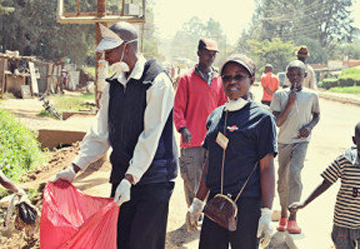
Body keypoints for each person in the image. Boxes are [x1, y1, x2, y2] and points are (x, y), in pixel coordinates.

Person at [53, 22, 178, 249]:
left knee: (143, 243)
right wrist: (74, 168)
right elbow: (101, 131)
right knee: (119, 242)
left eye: (110, 51)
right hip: (122, 177)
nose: (106, 57)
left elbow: (150, 136)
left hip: (153, 181)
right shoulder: (114, 83)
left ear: (126, 48)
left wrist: (131, 178)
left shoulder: (157, 81)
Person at [186, 54, 277, 249]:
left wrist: (267, 212)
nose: (232, 81)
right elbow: (210, 162)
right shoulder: (216, 116)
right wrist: (198, 201)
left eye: (239, 76)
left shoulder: (262, 118)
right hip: (215, 205)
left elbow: (267, 168)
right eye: (226, 77)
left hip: (246, 206)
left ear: (251, 80)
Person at [174, 38, 227, 209]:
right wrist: (182, 128)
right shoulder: (186, 79)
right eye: (207, 53)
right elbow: (178, 108)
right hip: (192, 140)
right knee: (192, 180)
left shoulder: (219, 80)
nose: (210, 57)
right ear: (198, 53)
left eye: (213, 54)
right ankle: (193, 216)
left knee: (213, 180)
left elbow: (223, 108)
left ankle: (207, 217)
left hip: (213, 140)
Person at [289, 122, 360, 248]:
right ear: (355, 140)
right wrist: (304, 203)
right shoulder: (345, 160)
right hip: (343, 222)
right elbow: (326, 182)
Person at [270, 59, 320, 234]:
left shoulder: (312, 95)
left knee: (295, 174)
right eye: (291, 74)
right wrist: (290, 103)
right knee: (282, 179)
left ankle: (293, 218)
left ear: (305, 75)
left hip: (301, 141)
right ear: (287, 76)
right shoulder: (280, 95)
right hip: (284, 141)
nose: (295, 77)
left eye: (299, 74)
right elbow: (277, 122)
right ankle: (283, 214)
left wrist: (309, 127)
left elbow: (316, 115)